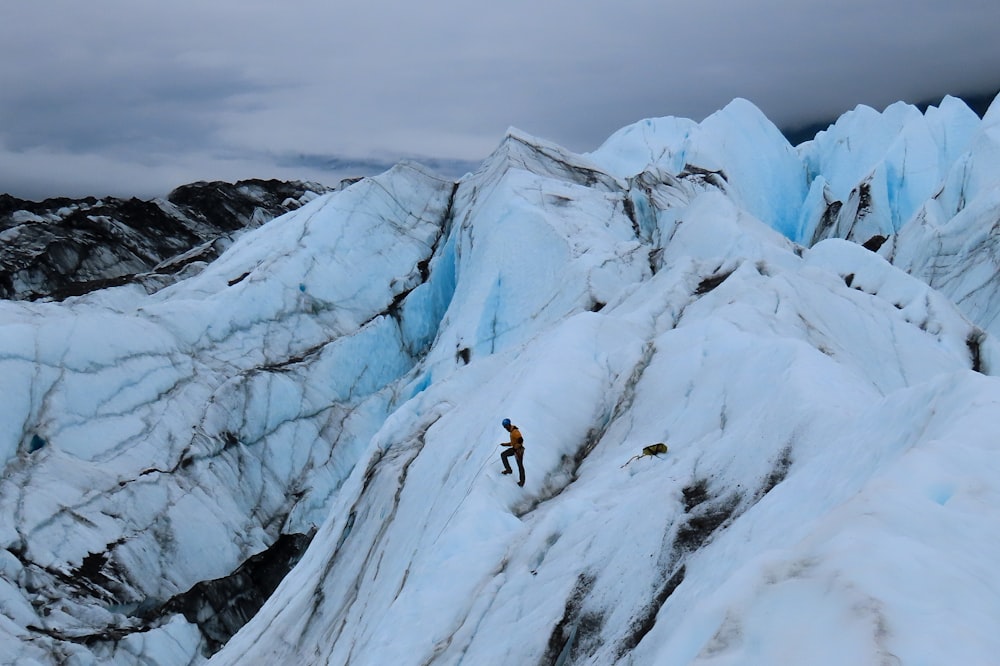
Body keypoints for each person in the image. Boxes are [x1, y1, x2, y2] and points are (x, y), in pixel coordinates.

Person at [499, 418, 525, 487]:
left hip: (519, 450)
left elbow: (520, 440)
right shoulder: (511, 431)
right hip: (515, 449)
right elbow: (513, 442)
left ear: (508, 425)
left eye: (505, 427)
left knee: (520, 466)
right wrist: (505, 444)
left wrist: (516, 447)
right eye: (504, 427)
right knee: (503, 455)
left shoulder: (515, 432)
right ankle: (508, 470)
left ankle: (521, 482)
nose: (505, 428)